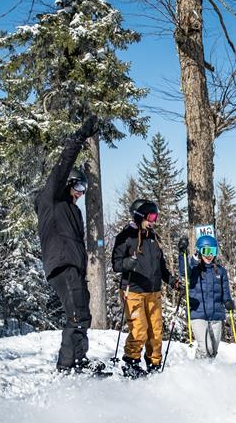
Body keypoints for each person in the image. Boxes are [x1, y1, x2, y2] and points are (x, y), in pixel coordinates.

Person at [35, 115, 104, 374]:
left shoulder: (72, 211)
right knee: (75, 315)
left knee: (82, 314)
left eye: (85, 189)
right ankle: (66, 367)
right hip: (62, 265)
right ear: (68, 182)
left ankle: (79, 360)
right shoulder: (51, 199)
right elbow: (62, 166)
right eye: (78, 185)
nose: (81, 192)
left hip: (73, 267)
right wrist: (80, 137)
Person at [111, 199, 177, 378]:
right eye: (151, 216)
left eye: (156, 217)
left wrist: (172, 281)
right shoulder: (126, 237)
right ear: (140, 215)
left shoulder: (153, 238)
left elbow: (161, 266)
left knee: (155, 331)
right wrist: (127, 263)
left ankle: (154, 363)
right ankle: (131, 362)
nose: (154, 220)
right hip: (133, 290)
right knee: (139, 329)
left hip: (153, 292)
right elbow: (115, 264)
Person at [184, 234, 233, 359]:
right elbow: (183, 270)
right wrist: (182, 255)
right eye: (206, 251)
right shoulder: (194, 269)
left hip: (216, 314)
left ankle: (209, 375)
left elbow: (225, 291)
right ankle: (198, 371)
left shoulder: (220, 271)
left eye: (213, 251)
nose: (209, 255)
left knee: (213, 350)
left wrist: (228, 301)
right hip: (198, 314)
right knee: (206, 348)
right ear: (200, 251)